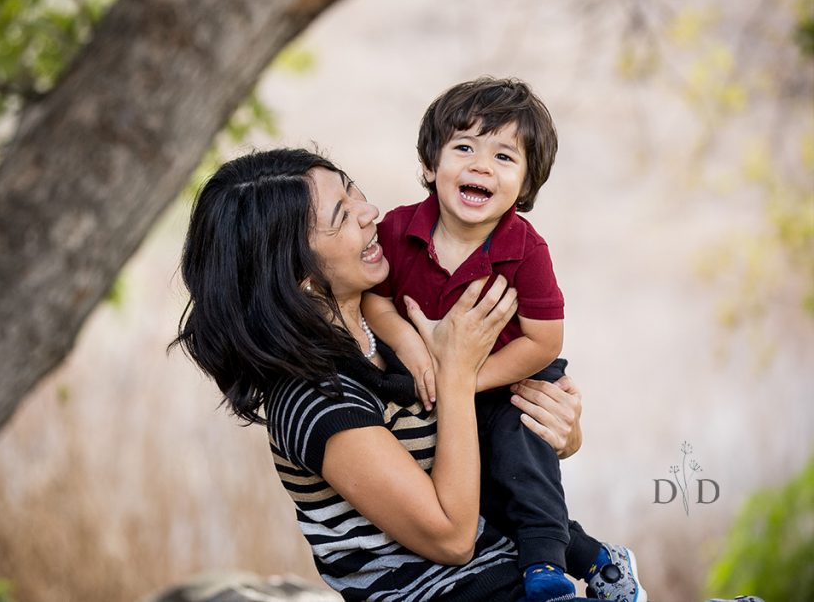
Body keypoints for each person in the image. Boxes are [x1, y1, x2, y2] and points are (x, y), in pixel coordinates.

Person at [173, 148, 592, 601]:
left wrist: (557, 432)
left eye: (353, 191)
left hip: (521, 577)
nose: (370, 212)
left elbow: (481, 441)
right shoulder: (315, 398)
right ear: (301, 277)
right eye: (342, 216)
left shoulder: (397, 328)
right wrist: (457, 373)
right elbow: (451, 539)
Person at [362, 77, 645, 602]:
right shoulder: (397, 231)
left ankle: (545, 574)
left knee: (521, 467)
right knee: (484, 496)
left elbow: (543, 341)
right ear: (430, 165)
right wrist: (406, 343)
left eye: (504, 157)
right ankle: (599, 560)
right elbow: (375, 302)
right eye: (463, 147)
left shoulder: (525, 249)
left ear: (526, 185)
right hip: (434, 383)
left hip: (514, 380)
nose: (480, 166)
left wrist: (463, 378)